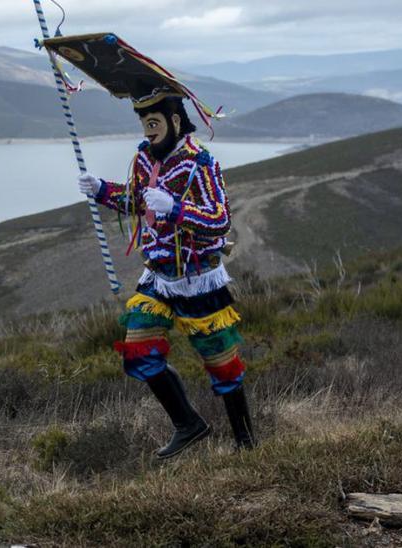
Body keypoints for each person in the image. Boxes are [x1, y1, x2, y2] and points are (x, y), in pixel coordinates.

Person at [46, 33, 255, 458]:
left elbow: (219, 221)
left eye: (154, 123)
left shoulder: (201, 164)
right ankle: (189, 424)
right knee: (139, 352)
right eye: (145, 124)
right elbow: (137, 202)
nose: (148, 130)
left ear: (176, 121)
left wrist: (177, 209)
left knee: (222, 364)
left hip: (200, 278)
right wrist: (102, 189)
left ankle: (247, 443)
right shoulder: (144, 159)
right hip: (157, 275)